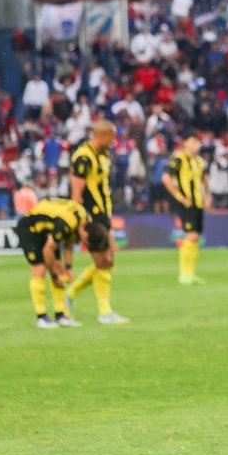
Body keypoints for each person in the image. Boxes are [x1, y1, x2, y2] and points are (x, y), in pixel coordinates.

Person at [67, 120, 129, 324]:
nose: (113, 142)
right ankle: (104, 312)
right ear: (100, 136)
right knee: (103, 262)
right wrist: (80, 224)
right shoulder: (83, 157)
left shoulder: (104, 154)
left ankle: (71, 293)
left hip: (103, 214)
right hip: (90, 217)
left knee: (109, 262)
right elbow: (76, 194)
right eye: (111, 138)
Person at [16, 197, 107, 328]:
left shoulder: (84, 219)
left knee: (60, 269)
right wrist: (54, 277)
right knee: (40, 269)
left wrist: (68, 267)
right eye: (84, 241)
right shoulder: (66, 223)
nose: (81, 243)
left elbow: (69, 242)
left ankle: (61, 315)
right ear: (85, 233)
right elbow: (48, 250)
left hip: (47, 230)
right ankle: (41, 317)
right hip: (30, 228)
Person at [162, 132, 207, 286]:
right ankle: (184, 274)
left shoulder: (199, 161)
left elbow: (204, 180)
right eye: (194, 141)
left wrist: (208, 196)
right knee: (191, 235)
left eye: (198, 142)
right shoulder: (178, 159)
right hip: (186, 203)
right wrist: (180, 197)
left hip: (198, 203)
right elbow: (166, 178)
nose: (197, 145)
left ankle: (191, 273)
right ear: (185, 143)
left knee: (196, 237)